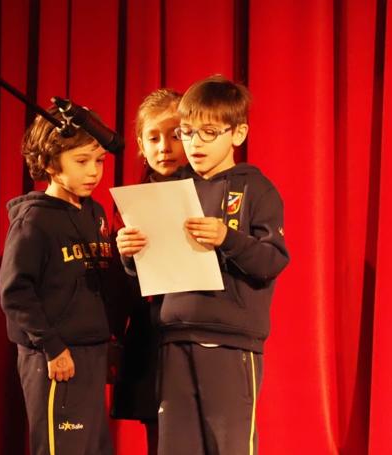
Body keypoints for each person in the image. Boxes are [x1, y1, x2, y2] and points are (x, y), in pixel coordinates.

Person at [116, 75, 290, 455]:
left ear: (238, 133)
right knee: (177, 446)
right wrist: (129, 252)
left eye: (209, 132)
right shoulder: (170, 189)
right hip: (173, 337)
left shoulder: (255, 189)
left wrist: (227, 238)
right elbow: (148, 268)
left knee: (227, 444)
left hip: (228, 340)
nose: (194, 143)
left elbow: (272, 259)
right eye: (188, 132)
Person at [0, 105, 114, 455]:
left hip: (92, 352)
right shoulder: (34, 221)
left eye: (99, 161)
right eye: (82, 161)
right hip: (55, 358)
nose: (94, 172)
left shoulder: (95, 213)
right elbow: (16, 292)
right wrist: (52, 346)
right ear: (51, 164)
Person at [109, 88, 187, 455]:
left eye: (174, 135)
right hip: (151, 331)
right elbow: (124, 285)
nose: (165, 147)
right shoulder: (133, 203)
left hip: (193, 328)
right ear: (140, 144)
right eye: (154, 138)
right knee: (157, 432)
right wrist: (126, 255)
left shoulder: (208, 191)